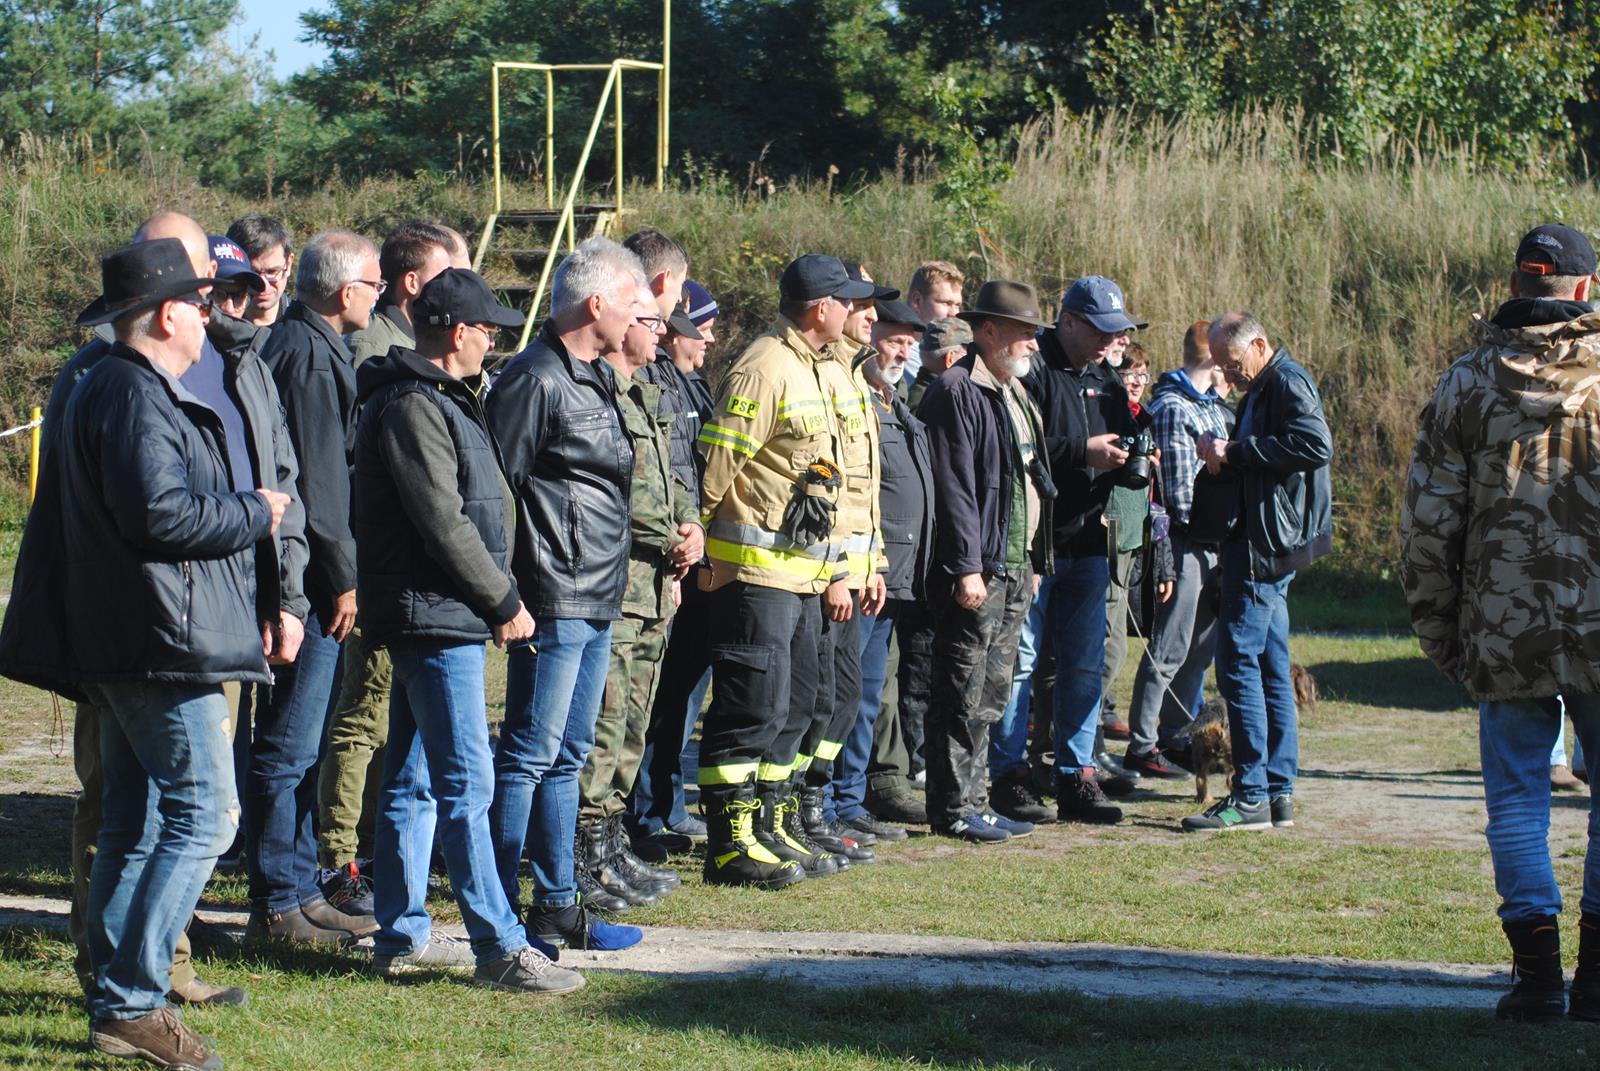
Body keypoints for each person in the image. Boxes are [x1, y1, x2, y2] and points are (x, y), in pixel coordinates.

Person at [2, 214, 305, 1014]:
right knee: (205, 814)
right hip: (160, 639)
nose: (212, 314)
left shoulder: (118, 384)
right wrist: (254, 512)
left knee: (138, 820)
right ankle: (132, 995)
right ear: (170, 313)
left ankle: (121, 988)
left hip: (151, 633)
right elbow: (159, 517)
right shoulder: (131, 390)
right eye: (201, 301)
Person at [352, 267, 585, 994]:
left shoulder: (447, 398)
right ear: (458, 331)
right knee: (464, 783)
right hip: (437, 612)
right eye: (488, 329)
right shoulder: (416, 404)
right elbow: (442, 521)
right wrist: (502, 599)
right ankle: (498, 943)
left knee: (415, 780)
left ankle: (399, 932)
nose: (494, 341)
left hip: (439, 611)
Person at [1401, 223, 1600, 1023]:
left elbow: (1428, 520)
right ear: (1583, 289)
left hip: (1503, 623)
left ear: (1519, 283)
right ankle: (1594, 985)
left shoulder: (1467, 381)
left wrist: (1436, 625)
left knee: (1517, 798)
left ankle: (1538, 978)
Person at [693, 253, 873, 887]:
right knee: (749, 708)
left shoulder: (818, 368)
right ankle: (728, 845)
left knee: (787, 709)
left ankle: (766, 826)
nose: (855, 311)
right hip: (756, 575)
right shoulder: (765, 367)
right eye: (846, 301)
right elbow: (717, 467)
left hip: (804, 575)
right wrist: (701, 547)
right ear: (821, 309)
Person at [485, 236, 643, 951]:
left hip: (598, 596)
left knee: (568, 754)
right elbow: (496, 491)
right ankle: (501, 909)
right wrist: (502, 595)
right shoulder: (533, 377)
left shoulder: (595, 377)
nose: (643, 317)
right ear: (598, 302)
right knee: (528, 752)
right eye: (633, 302)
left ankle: (556, 904)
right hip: (552, 596)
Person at [315, 219, 466, 917]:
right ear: (413, 284)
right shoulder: (374, 353)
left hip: (410, 568)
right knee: (362, 709)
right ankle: (337, 855)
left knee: (394, 721)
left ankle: (380, 846)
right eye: (448, 274)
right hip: (378, 561)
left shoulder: (414, 348)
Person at [250, 229, 381, 943]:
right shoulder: (305, 355)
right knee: (288, 744)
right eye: (373, 283)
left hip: (312, 572)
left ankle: (301, 889)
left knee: (302, 742)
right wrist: (343, 579)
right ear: (342, 290)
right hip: (308, 579)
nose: (380, 294)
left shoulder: (315, 346)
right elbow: (320, 484)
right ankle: (277, 902)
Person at [575, 284, 704, 912]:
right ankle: (583, 856)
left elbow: (676, 476)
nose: (660, 331)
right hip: (618, 582)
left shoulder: (651, 391)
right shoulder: (597, 390)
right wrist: (666, 534)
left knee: (634, 724)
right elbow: (611, 493)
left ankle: (611, 842)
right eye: (651, 319)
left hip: (658, 584)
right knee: (604, 722)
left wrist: (691, 528)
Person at [1181, 312, 1332, 832]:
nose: (1226, 374)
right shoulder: (1266, 386)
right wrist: (1225, 457)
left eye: (1232, 362)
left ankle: (1250, 795)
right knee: (1269, 668)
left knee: (1237, 663)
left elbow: (1315, 445)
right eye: (1220, 365)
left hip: (1264, 548)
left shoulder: (1285, 382)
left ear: (1260, 345)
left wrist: (1236, 451)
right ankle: (1277, 793)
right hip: (1268, 541)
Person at [919, 281, 1054, 843]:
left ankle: (976, 801)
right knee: (961, 688)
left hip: (1015, 566)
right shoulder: (957, 391)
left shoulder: (1014, 393)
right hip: (980, 570)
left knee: (992, 692)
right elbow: (955, 490)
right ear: (989, 331)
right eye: (1024, 334)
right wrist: (967, 567)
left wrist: (1036, 557)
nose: (1032, 345)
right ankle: (952, 808)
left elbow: (1029, 480)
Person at [1015, 275, 1144, 825]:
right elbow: (1014, 445)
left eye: (1115, 332)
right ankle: (1010, 775)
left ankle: (1077, 776)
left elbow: (1123, 442)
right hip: (1037, 545)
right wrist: (1080, 452)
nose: (1108, 342)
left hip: (1093, 542)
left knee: (1085, 668)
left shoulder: (1109, 380)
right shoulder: (1032, 369)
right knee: (1021, 666)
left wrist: (1138, 459)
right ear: (1067, 320)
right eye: (1099, 330)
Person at [795, 261, 892, 866]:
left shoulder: (854, 377)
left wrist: (870, 563)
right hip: (824, 571)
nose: (874, 319)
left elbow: (862, 490)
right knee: (820, 695)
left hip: (853, 572)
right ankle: (808, 810)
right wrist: (834, 569)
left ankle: (817, 806)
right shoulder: (825, 377)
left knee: (845, 695)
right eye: (863, 309)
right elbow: (820, 485)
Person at [832, 298, 935, 842]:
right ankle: (832, 801)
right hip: (858, 571)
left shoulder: (892, 401)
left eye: (910, 345)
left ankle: (849, 798)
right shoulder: (856, 400)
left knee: (869, 691)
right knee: (848, 691)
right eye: (894, 339)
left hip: (892, 573)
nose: (902, 352)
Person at [632, 280, 720, 851]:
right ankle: (641, 814)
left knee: (681, 694)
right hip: (661, 561)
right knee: (652, 699)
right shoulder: (655, 382)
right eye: (702, 332)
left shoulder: (695, 388)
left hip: (692, 554)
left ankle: (665, 801)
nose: (707, 343)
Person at [1125, 321, 1233, 776]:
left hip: (1215, 544)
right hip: (1188, 540)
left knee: (1200, 650)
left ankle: (1175, 734)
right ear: (1210, 355)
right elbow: (1176, 490)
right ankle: (1143, 742)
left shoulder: (1213, 407)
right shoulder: (1172, 407)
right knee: (1168, 648)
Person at [1096, 342, 1174, 751]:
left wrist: (1162, 562)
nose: (1139, 382)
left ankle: (1088, 746)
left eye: (1144, 373)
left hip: (1133, 540)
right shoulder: (1105, 414)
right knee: (1108, 649)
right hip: (1105, 537)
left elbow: (1154, 504)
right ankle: (1083, 747)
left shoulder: (1145, 419)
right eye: (1130, 374)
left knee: (1116, 647)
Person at [226, 215, 295, 328]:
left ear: (288, 265)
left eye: (272, 272)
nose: (263, 285)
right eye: (252, 274)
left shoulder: (306, 329)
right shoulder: (209, 327)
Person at [903, 260, 964, 383]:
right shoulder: (901, 354)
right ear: (917, 301)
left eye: (957, 305)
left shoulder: (959, 350)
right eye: (946, 303)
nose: (954, 313)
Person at [907, 315, 971, 409]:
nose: (973, 361)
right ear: (950, 359)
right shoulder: (943, 400)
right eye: (968, 355)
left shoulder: (917, 395)